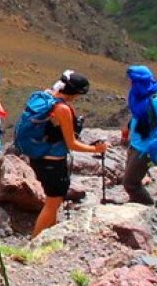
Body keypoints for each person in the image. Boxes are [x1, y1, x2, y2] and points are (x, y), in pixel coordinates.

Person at [23, 70, 107, 238]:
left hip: (39, 157)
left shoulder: (46, 96)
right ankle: (34, 242)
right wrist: (96, 150)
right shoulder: (62, 109)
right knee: (52, 203)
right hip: (53, 162)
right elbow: (72, 143)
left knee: (54, 201)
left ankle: (49, 236)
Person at [122, 65, 157, 204]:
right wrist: (129, 128)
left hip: (145, 148)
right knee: (132, 179)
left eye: (132, 80)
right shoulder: (138, 96)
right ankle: (135, 203)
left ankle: (147, 207)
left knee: (130, 183)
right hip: (135, 143)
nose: (129, 83)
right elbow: (138, 116)